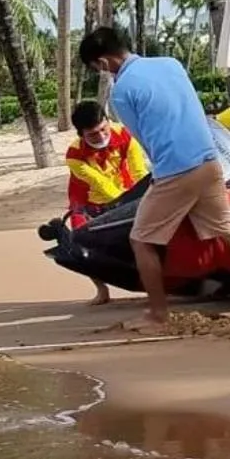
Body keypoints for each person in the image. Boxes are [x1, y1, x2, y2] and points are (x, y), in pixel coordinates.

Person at [78, 27, 230, 325]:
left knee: (141, 240)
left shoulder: (121, 92)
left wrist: (160, 179)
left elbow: (144, 138)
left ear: (103, 62)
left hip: (176, 170)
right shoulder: (170, 63)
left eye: (98, 68)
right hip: (210, 160)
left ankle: (158, 313)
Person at [64, 100, 150, 307]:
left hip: (125, 189)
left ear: (108, 121)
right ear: (81, 135)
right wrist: (122, 206)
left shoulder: (125, 135)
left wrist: (143, 196)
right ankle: (101, 290)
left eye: (104, 129)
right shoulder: (74, 155)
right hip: (88, 202)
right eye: (93, 135)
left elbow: (139, 171)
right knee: (82, 245)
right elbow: (100, 184)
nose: (102, 136)